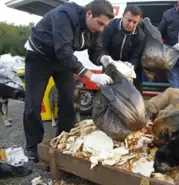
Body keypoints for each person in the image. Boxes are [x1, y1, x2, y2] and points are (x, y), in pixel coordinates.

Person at [23, 0, 116, 162]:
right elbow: (63, 51)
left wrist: (103, 58)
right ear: (89, 14)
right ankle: (33, 147)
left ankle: (63, 140)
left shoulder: (97, 27)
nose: (101, 29)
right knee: (33, 103)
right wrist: (91, 76)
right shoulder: (64, 15)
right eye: (99, 23)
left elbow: (95, 50)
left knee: (69, 100)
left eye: (104, 26)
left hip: (62, 61)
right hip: (39, 57)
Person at [102, 5, 146, 92]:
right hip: (110, 64)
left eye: (135, 22)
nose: (131, 25)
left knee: (131, 95)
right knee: (108, 93)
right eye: (129, 20)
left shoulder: (141, 36)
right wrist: (109, 62)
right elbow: (103, 47)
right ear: (123, 16)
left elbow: (136, 56)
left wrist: (130, 67)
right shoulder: (110, 27)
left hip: (129, 69)